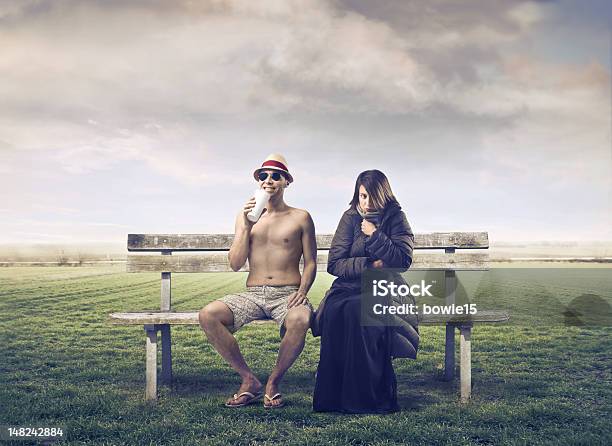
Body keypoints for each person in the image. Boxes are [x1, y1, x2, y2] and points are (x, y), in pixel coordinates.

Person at [199, 153, 317, 409]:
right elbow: (235, 263)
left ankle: (273, 381)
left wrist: (303, 291)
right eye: (263, 176)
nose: (269, 180)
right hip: (252, 293)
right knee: (208, 315)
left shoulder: (301, 217)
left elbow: (310, 263)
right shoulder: (246, 218)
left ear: (286, 181)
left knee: (301, 318)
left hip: (287, 292)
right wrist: (244, 226)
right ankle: (248, 380)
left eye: (276, 175)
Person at [312, 169, 417, 414]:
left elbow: (401, 260)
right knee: (338, 311)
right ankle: (333, 399)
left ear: (384, 195)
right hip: (347, 288)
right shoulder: (349, 217)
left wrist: (375, 235)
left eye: (372, 197)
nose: (367, 203)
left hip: (382, 287)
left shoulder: (397, 218)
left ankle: (365, 399)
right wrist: (369, 264)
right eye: (362, 196)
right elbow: (334, 263)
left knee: (361, 312)